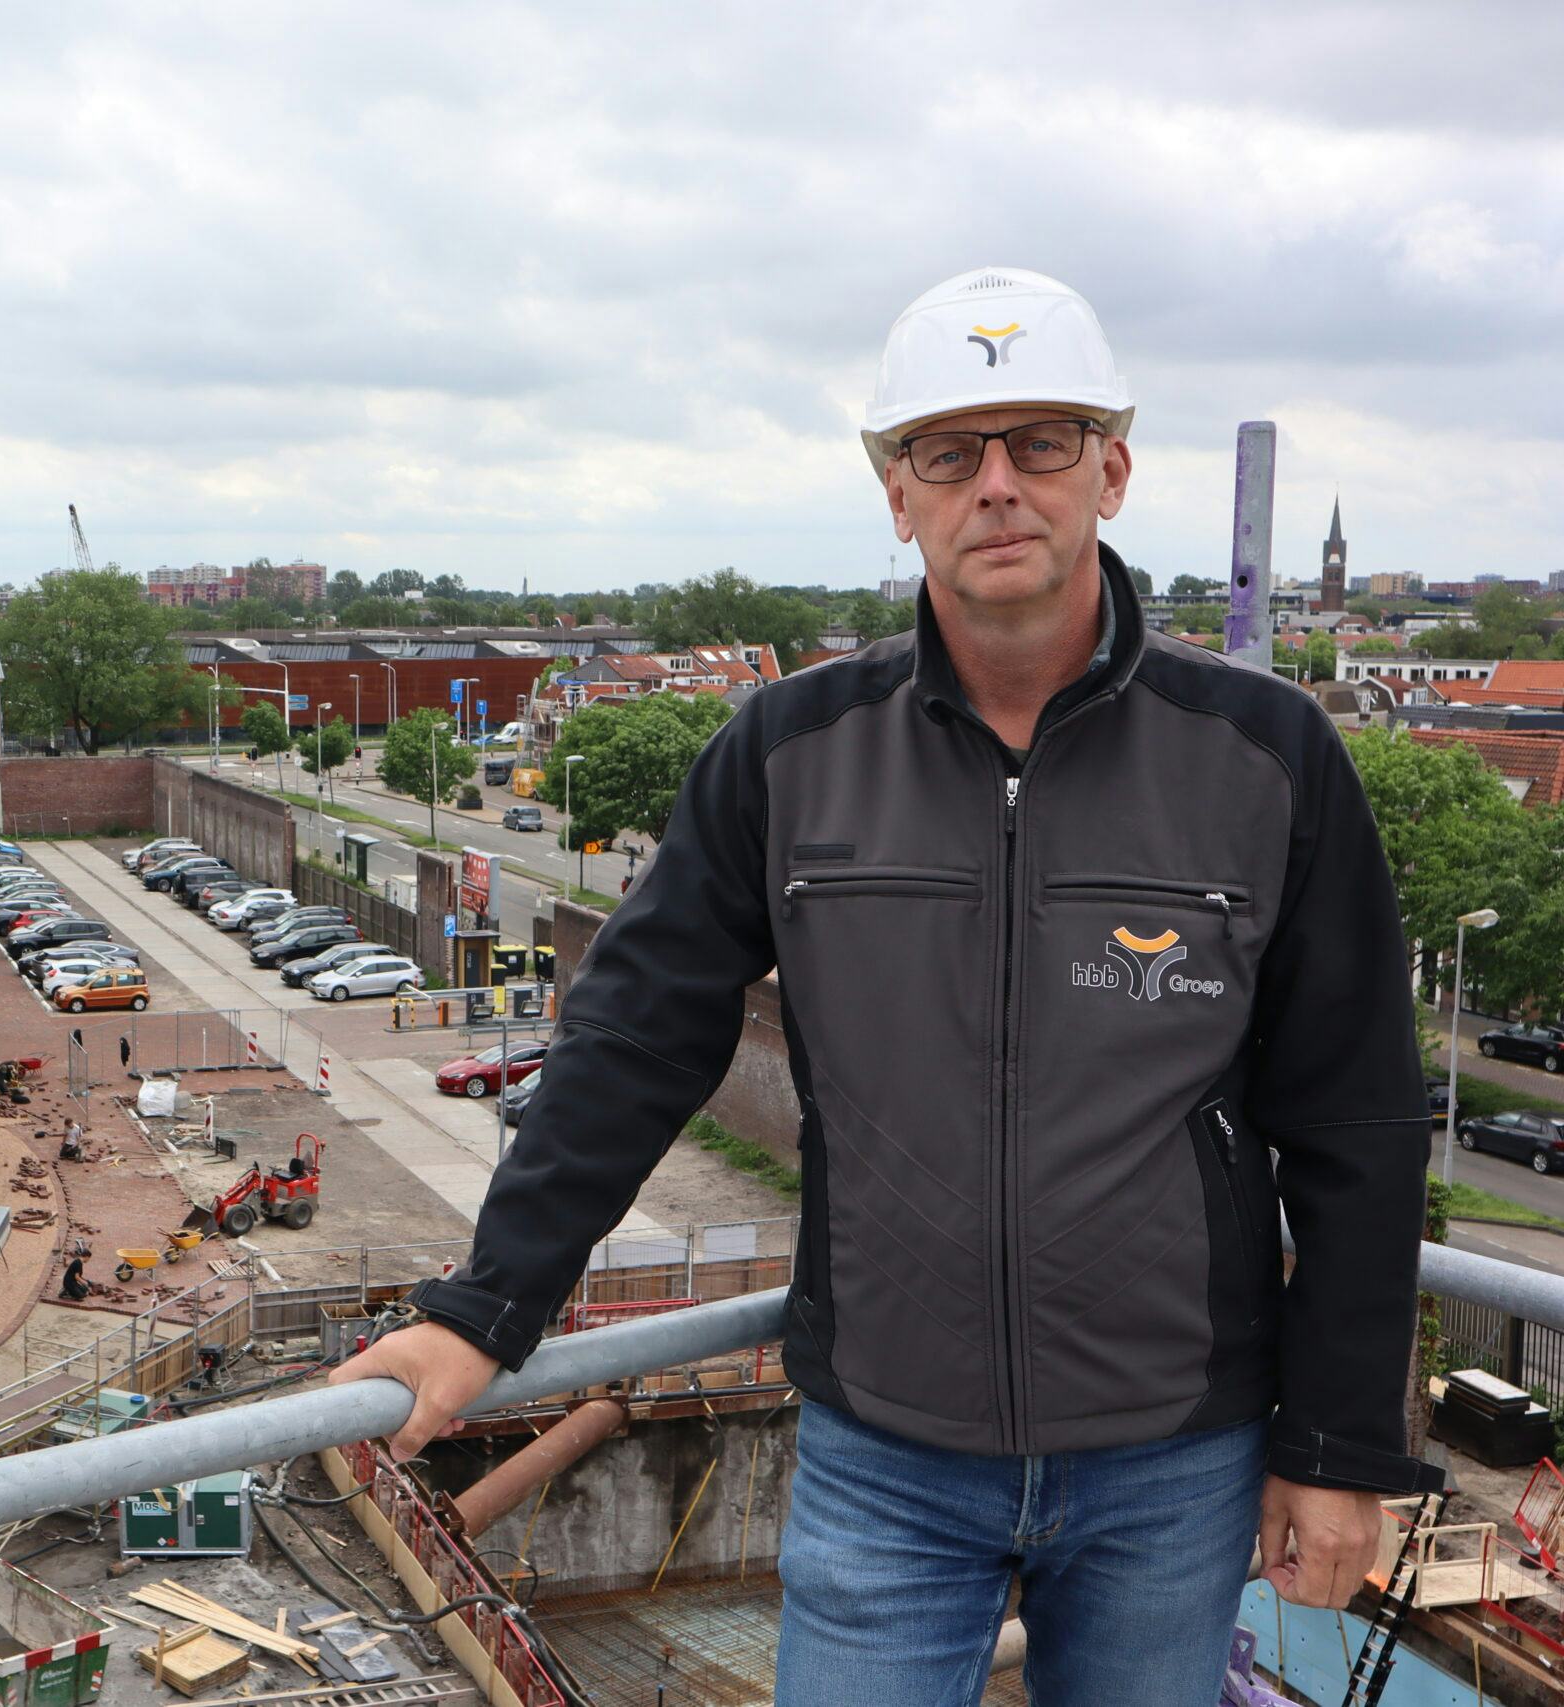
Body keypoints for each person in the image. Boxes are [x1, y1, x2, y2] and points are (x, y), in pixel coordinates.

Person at [334, 267, 1437, 1704]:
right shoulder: (789, 752)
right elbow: (638, 1038)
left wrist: (1339, 1447)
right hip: (886, 1461)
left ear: (1110, 470)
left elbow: (1357, 1116)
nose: (996, 485)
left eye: (1040, 442)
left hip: (1173, 1457)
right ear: (894, 493)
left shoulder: (1267, 755)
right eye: (945, 450)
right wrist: (489, 1306)